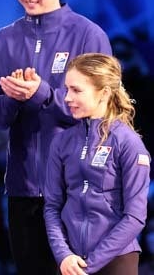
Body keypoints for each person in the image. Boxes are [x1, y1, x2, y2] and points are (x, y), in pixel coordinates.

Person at [0, 0, 112, 274]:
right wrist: (12, 99)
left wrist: (43, 94)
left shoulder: (88, 36)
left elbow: (101, 108)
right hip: (23, 190)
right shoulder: (3, 40)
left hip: (78, 189)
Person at [44, 53, 150, 275]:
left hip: (116, 261)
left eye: (76, 90)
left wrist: (90, 265)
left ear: (104, 93)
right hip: (70, 263)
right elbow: (52, 206)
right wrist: (64, 256)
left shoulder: (128, 143)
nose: (67, 98)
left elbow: (135, 217)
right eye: (67, 89)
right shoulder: (61, 141)